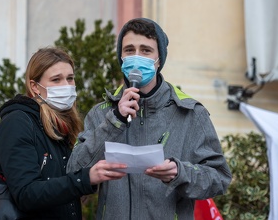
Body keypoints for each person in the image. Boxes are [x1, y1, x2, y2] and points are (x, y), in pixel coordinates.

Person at [67, 18, 232, 219]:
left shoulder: (190, 113)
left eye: (145, 51)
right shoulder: (101, 113)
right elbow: (73, 173)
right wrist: (114, 121)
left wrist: (179, 173)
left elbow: (219, 178)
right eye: (129, 50)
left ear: (159, 59)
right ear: (121, 57)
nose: (137, 57)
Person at [0, 47, 127, 219]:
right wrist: (85, 179)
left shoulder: (61, 126)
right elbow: (26, 194)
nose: (66, 86)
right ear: (34, 87)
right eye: (56, 80)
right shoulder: (17, 124)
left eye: (70, 79)